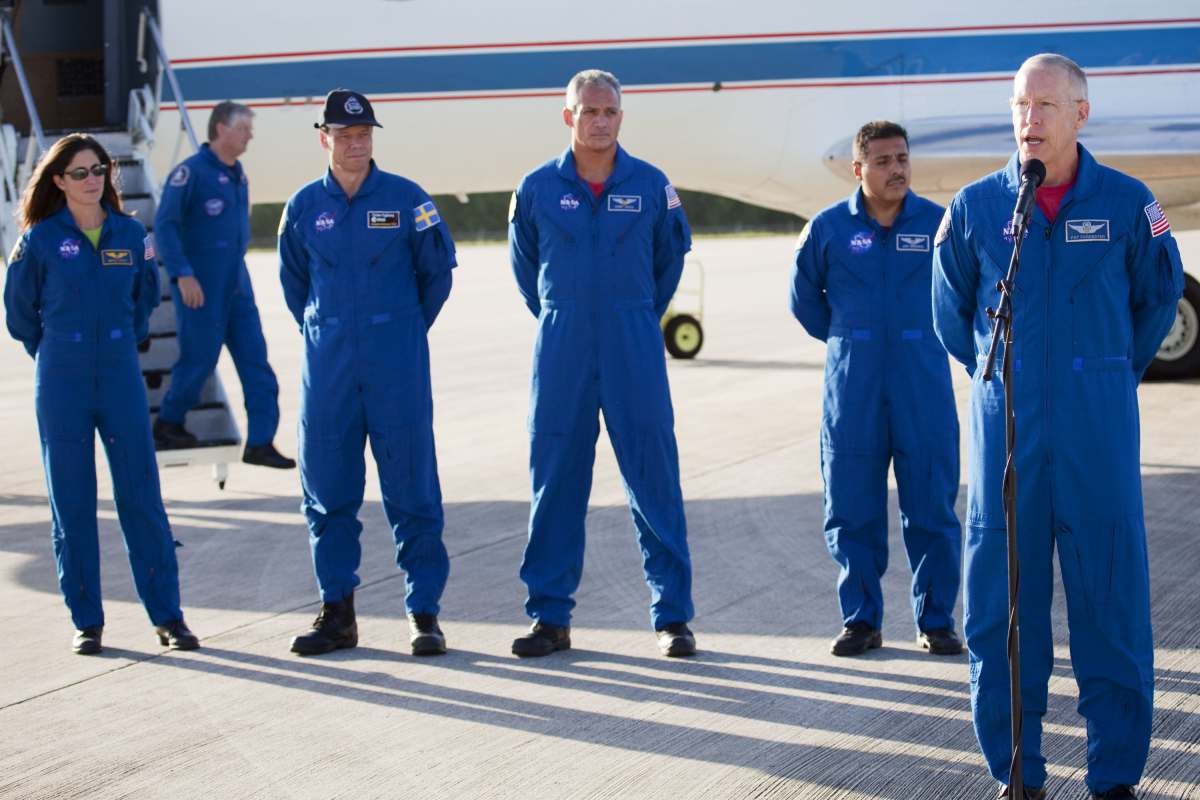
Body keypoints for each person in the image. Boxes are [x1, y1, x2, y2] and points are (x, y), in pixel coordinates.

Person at [932, 54, 1184, 800]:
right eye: (1019, 106)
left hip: (1096, 440)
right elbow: (953, 320)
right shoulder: (977, 209)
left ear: (1081, 112)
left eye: (1045, 105)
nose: (1029, 120)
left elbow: (1159, 298)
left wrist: (1102, 375)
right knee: (1002, 618)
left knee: (1110, 610)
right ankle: (1018, 772)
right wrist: (1012, 385)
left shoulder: (1132, 204)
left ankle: (1113, 778)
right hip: (1006, 438)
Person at [508, 69, 697, 659]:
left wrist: (635, 314)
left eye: (609, 111)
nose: (599, 121)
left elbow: (669, 261)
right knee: (555, 482)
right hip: (562, 347)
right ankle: (550, 618)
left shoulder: (651, 185)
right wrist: (564, 315)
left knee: (653, 479)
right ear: (568, 117)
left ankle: (672, 618)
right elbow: (526, 272)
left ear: (621, 116)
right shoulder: (536, 188)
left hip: (632, 345)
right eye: (588, 111)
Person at [4, 133, 200, 655]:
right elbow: (19, 313)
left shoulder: (131, 234)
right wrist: (54, 350)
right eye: (80, 173)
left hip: (118, 374)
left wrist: (115, 341)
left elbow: (142, 303)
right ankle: (86, 620)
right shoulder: (40, 240)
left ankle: (168, 616)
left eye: (99, 171)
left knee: (141, 495)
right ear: (58, 182)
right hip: (62, 375)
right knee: (71, 501)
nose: (93, 181)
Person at [278, 89, 456, 657]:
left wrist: (398, 331)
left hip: (395, 363)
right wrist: (332, 330)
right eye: (345, 135)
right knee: (328, 492)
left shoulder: (408, 200)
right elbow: (294, 287)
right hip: (328, 366)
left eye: (364, 135)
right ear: (323, 138)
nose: (356, 145)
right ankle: (338, 614)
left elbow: (437, 277)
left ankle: (423, 614)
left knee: (412, 491)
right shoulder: (303, 208)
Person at [790, 121, 963, 658]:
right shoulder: (827, 229)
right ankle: (861, 620)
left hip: (922, 385)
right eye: (884, 161)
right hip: (854, 389)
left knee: (932, 506)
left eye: (903, 158)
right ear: (858, 168)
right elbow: (805, 300)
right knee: (852, 507)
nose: (897, 170)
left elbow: (965, 292)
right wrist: (851, 339)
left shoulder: (939, 224)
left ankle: (936, 621)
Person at [152, 101, 294, 469]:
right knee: (199, 361)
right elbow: (165, 226)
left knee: (257, 364)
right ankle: (168, 423)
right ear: (221, 129)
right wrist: (183, 274)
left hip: (236, 283)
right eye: (244, 128)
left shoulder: (237, 173)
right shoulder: (190, 173)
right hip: (201, 282)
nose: (251, 135)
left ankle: (261, 441)